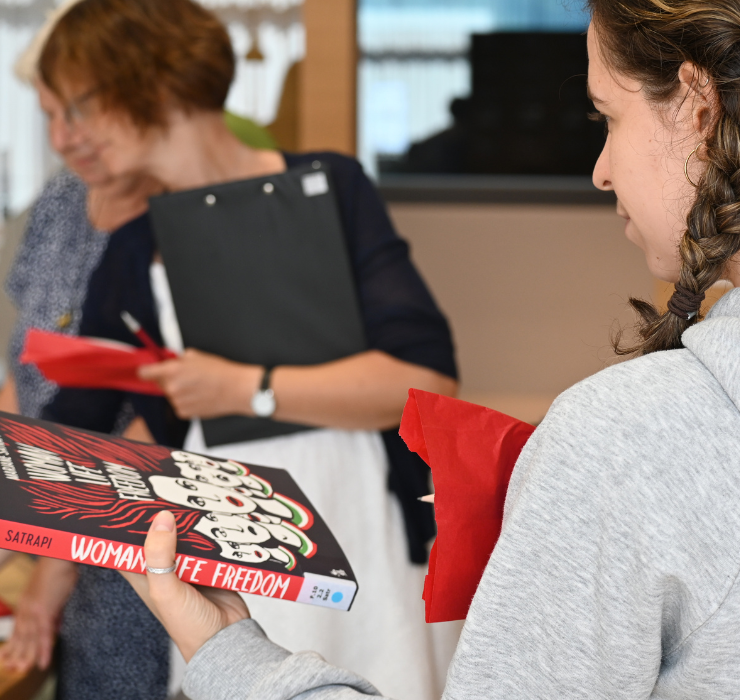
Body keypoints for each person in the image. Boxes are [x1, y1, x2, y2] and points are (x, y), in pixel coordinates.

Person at [126, 0, 740, 697]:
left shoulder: (623, 441)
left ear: (696, 106)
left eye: (607, 117)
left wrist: (226, 650)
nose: (600, 170)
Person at [37, 1, 461, 699]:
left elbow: (422, 379)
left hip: (366, 536)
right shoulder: (134, 247)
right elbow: (67, 424)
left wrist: (247, 390)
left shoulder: (330, 187)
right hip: (227, 556)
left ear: (154, 80)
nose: (64, 136)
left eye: (78, 107)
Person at [0, 7, 286, 694]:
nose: (66, 139)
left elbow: (148, 416)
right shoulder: (61, 203)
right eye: (48, 116)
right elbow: (25, 366)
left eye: (80, 114)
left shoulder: (187, 215)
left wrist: (48, 560)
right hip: (54, 508)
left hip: (140, 528)